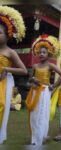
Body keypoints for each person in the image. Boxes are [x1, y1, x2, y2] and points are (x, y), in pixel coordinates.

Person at [25, 34, 61, 145]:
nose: (41, 54)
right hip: (34, 92)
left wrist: (54, 85)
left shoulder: (50, 65)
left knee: (42, 114)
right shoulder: (34, 66)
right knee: (34, 115)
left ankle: (40, 137)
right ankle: (35, 136)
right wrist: (33, 80)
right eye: (40, 52)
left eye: (44, 52)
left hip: (44, 93)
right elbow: (28, 81)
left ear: (49, 54)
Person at [0, 6, 27, 144]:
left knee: (1, 107)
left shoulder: (11, 52)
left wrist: (6, 69)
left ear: (8, 34)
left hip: (3, 84)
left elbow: (24, 71)